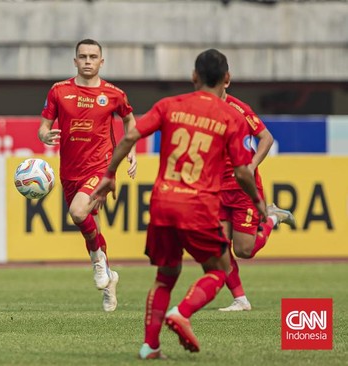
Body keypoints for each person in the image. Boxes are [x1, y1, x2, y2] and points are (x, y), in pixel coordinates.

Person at [91, 49, 268, 358]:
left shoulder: (169, 105)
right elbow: (242, 171)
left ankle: (150, 346)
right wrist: (257, 200)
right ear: (227, 79)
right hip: (198, 206)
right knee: (218, 269)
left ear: (194, 76)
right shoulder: (231, 116)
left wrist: (108, 175)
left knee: (166, 275)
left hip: (162, 204)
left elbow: (130, 137)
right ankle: (182, 313)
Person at [38, 38, 138, 312]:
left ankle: (97, 264)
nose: (88, 61)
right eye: (83, 56)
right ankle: (109, 279)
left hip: (102, 166)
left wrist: (131, 149)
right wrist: (46, 135)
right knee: (89, 224)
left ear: (101, 61)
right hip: (70, 171)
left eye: (93, 56)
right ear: (75, 61)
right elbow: (43, 126)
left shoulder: (114, 94)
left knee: (79, 213)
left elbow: (129, 120)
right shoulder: (59, 91)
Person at [218, 87, 296, 312]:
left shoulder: (239, 109)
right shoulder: (203, 108)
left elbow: (266, 138)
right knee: (218, 248)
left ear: (226, 82)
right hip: (216, 190)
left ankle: (271, 218)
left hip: (242, 189)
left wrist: (250, 167)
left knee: (244, 251)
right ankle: (240, 300)